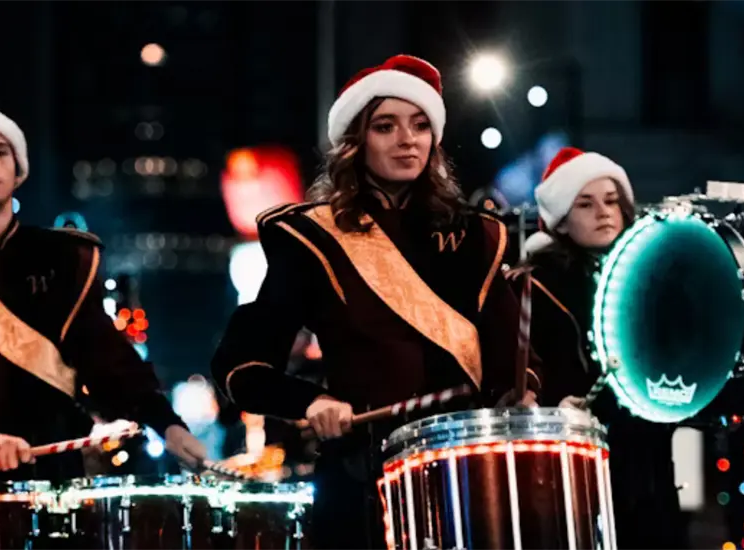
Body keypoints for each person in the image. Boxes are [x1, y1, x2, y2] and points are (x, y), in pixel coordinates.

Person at [211, 54, 527, 549]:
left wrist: (523, 389)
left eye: (420, 125)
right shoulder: (314, 238)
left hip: (466, 477)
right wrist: (310, 400)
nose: (408, 139)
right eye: (386, 126)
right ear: (355, 145)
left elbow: (515, 364)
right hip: (363, 478)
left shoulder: (477, 236)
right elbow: (241, 365)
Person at [0, 105, 206, 481]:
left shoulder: (63, 258)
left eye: (0, 152)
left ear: (18, 169)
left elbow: (106, 358)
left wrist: (168, 425)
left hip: (53, 472)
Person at [505, 147, 688, 550]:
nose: (603, 212)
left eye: (611, 202)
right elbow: (524, 367)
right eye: (585, 204)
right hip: (576, 455)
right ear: (562, 221)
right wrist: (553, 406)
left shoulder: (651, 276)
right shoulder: (534, 286)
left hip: (647, 447)